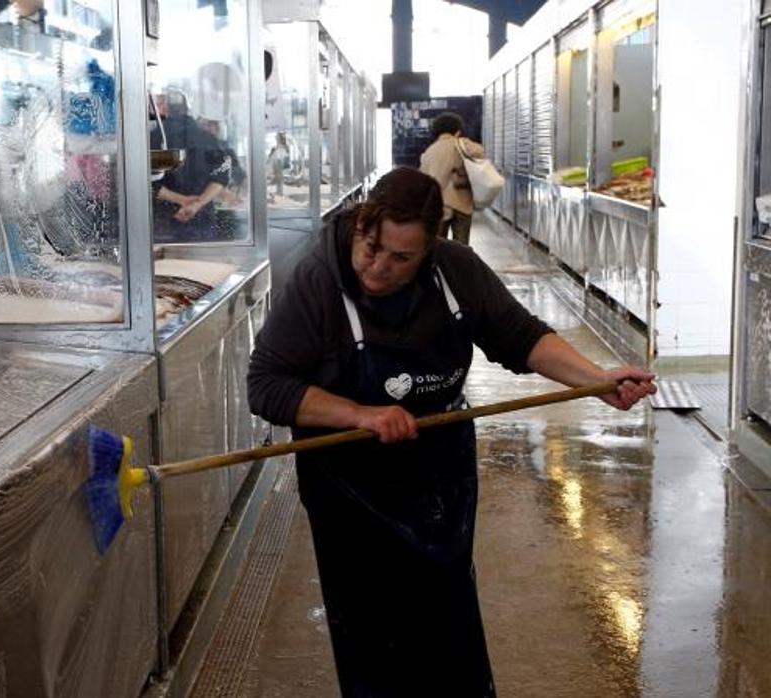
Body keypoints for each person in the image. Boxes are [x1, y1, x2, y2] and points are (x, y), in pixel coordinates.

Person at [246, 168, 655, 697]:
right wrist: (361, 414)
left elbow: (520, 335)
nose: (377, 268)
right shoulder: (317, 281)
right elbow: (266, 385)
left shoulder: (456, 271)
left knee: (447, 610)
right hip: (349, 480)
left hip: (438, 470)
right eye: (372, 248)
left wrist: (594, 380)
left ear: (430, 250)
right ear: (362, 226)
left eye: (401, 259)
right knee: (371, 622)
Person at [150, 89, 239, 242]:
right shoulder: (208, 138)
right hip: (203, 220)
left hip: (164, 224)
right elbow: (222, 175)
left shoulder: (154, 138)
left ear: (163, 108)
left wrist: (182, 200)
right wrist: (199, 203)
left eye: (156, 104)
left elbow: (149, 181)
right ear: (187, 107)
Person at [419, 111, 484, 245]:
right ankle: (458, 266)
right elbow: (481, 153)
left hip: (438, 206)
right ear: (457, 130)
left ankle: (438, 266)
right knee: (461, 247)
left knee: (436, 246)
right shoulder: (462, 144)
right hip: (462, 204)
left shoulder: (429, 152)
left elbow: (423, 179)